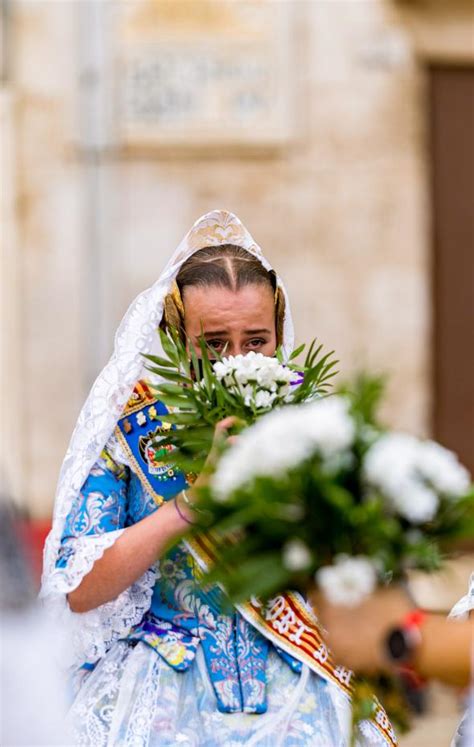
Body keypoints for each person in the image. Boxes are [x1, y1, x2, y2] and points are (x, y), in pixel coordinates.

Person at [41, 210, 396, 747]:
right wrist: (189, 506)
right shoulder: (131, 430)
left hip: (299, 689)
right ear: (175, 337)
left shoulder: (316, 428)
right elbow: (78, 588)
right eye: (213, 343)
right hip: (165, 688)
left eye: (255, 341)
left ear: (278, 333)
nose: (236, 361)